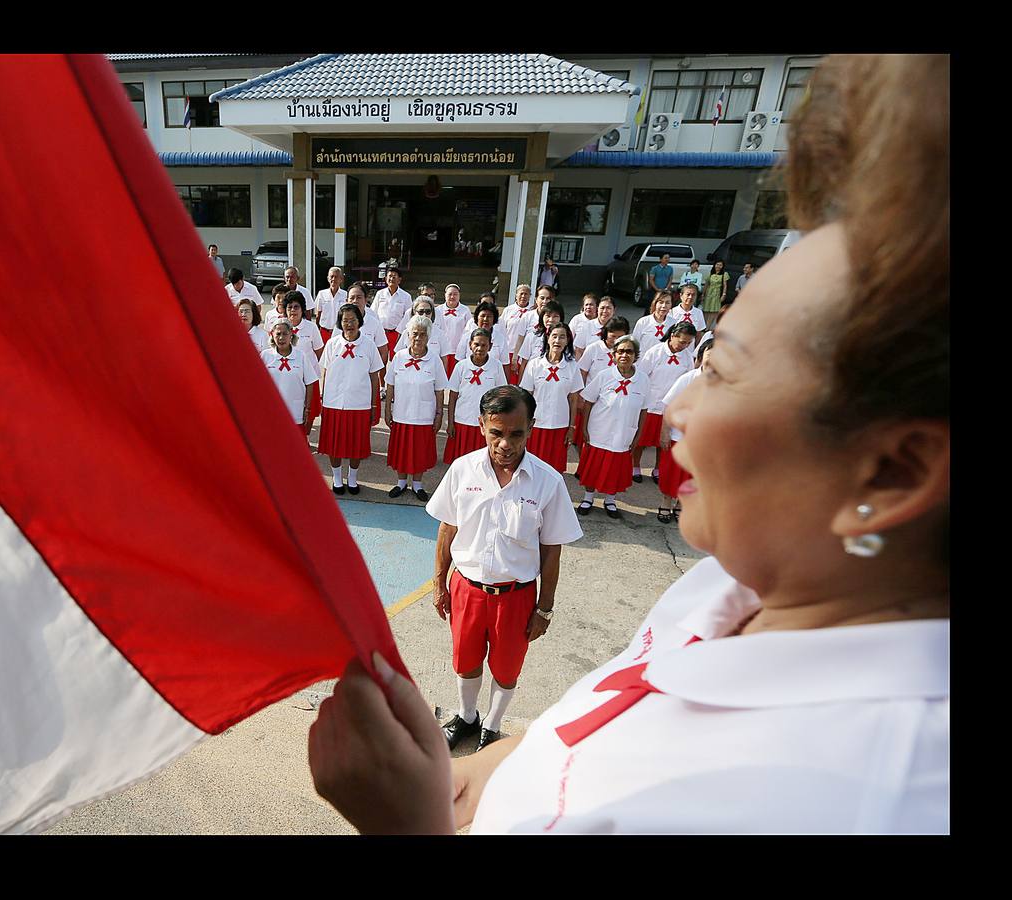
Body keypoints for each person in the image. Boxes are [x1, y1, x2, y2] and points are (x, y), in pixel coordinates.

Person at [307, 54, 948, 836]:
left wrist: (403, 820)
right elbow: (553, 752)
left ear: (889, 474)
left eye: (721, 369)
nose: (674, 403)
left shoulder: (837, 796)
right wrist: (437, 776)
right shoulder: (728, 591)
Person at [423, 385, 582, 755]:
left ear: (531, 428)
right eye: (496, 433)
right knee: (464, 661)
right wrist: (439, 584)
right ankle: (466, 716)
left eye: (516, 433)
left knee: (507, 669)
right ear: (481, 426)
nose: (505, 444)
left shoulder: (547, 482)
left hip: (516, 596)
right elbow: (447, 528)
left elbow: (551, 548)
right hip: (467, 589)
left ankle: (491, 726)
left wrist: (545, 606)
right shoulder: (463, 470)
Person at [574, 335, 648, 518]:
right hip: (599, 431)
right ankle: (588, 497)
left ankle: (610, 500)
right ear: (614, 355)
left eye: (629, 351)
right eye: (620, 351)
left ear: (636, 356)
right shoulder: (604, 376)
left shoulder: (643, 380)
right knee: (593, 467)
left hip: (624, 433)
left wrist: (638, 435)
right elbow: (588, 401)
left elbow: (644, 410)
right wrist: (584, 428)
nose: (624, 355)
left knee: (615, 469)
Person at [318, 304, 385, 495]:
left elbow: (374, 376)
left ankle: (353, 479)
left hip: (360, 404)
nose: (349, 324)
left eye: (353, 320)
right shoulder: (332, 344)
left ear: (360, 322)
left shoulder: (369, 345)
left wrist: (373, 404)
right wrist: (324, 398)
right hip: (334, 403)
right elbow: (325, 371)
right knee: (334, 443)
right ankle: (337, 479)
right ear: (340, 323)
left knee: (357, 444)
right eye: (345, 320)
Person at [386, 315, 449, 501]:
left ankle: (418, 484)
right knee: (402, 450)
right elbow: (390, 385)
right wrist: (387, 410)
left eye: (423, 334)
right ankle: (401, 482)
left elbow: (439, 390)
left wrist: (439, 414)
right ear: (408, 335)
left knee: (420, 450)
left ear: (428, 337)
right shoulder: (399, 357)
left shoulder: (434, 360)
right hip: (401, 413)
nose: (418, 338)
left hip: (424, 415)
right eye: (415, 333)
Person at [632, 321, 697, 483]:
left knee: (664, 441)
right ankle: (635, 466)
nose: (685, 346)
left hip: (670, 408)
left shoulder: (688, 358)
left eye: (688, 343)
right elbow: (642, 376)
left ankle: (658, 469)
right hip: (651, 404)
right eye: (682, 342)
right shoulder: (655, 352)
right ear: (673, 335)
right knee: (642, 439)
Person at [655, 342, 711, 523]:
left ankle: (681, 505)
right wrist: (665, 431)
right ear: (702, 355)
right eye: (711, 354)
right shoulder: (688, 378)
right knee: (672, 472)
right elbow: (669, 404)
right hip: (679, 436)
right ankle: (666, 502)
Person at [518, 322, 581, 474]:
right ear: (547, 338)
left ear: (567, 341)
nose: (557, 341)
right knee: (531, 465)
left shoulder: (572, 366)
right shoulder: (535, 364)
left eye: (562, 337)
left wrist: (572, 427)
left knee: (553, 469)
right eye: (554, 336)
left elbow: (573, 400)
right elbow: (526, 396)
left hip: (559, 425)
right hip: (536, 424)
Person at [443, 328, 507, 465]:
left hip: (485, 423)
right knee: (461, 462)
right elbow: (453, 396)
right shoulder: (461, 366)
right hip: (462, 422)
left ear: (490, 346)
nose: (480, 348)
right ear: (470, 345)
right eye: (476, 344)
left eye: (484, 345)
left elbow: (501, 396)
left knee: (482, 462)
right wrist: (450, 422)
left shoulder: (496, 367)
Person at [260, 320, 319, 433]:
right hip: (272, 410)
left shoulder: (301, 356)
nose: (281, 338)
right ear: (272, 334)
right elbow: (258, 384)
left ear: (291, 334)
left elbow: (310, 382)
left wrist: (307, 408)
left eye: (285, 333)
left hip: (295, 410)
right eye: (278, 334)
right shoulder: (265, 356)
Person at [285, 293, 325, 427]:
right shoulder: (280, 328)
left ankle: (306, 438)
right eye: (289, 307)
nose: (293, 310)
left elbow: (320, 353)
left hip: (309, 378)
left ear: (302, 309)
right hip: (289, 378)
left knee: (309, 412)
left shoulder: (311, 327)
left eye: (296, 307)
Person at [457, 301, 509, 386]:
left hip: (491, 382)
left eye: (489, 316)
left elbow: (505, 365)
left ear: (494, 319)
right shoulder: (466, 337)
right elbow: (459, 360)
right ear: (477, 318)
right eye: (482, 316)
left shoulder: (501, 339)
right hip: (468, 381)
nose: (485, 319)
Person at [514, 299, 565, 385]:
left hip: (555, 382)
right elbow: (524, 364)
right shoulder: (532, 336)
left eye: (555, 316)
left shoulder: (565, 338)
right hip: (532, 381)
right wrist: (520, 386)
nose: (551, 320)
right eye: (548, 316)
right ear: (542, 317)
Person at [372, 266, 414, 356]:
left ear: (399, 280)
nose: (391, 279)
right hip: (381, 332)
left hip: (396, 333)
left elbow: (408, 317)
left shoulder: (406, 296)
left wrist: (400, 332)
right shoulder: (380, 294)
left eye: (394, 276)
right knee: (379, 359)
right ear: (386, 278)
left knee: (395, 358)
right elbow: (373, 312)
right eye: (389, 276)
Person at [346, 281, 389, 365]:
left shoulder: (374, 323)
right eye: (352, 298)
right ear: (347, 300)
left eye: (359, 297)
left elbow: (383, 351)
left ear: (365, 300)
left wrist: (375, 370)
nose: (355, 301)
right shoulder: (340, 322)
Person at [434, 284, 471, 379]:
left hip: (457, 351)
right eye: (450, 294)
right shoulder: (437, 310)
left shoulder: (465, 310)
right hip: (441, 350)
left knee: (455, 378)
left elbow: (469, 331)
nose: (452, 297)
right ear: (445, 295)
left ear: (459, 295)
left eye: (455, 294)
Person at [572, 296, 616, 361]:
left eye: (608, 308)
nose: (605, 311)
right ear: (597, 309)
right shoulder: (586, 326)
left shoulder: (618, 327)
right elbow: (578, 351)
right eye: (602, 308)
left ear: (614, 310)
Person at [315, 266, 348, 345]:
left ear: (341, 279)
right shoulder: (321, 294)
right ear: (328, 278)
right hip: (324, 332)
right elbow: (318, 314)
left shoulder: (345, 295)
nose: (333, 279)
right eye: (331, 276)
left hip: (340, 332)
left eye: (336, 277)